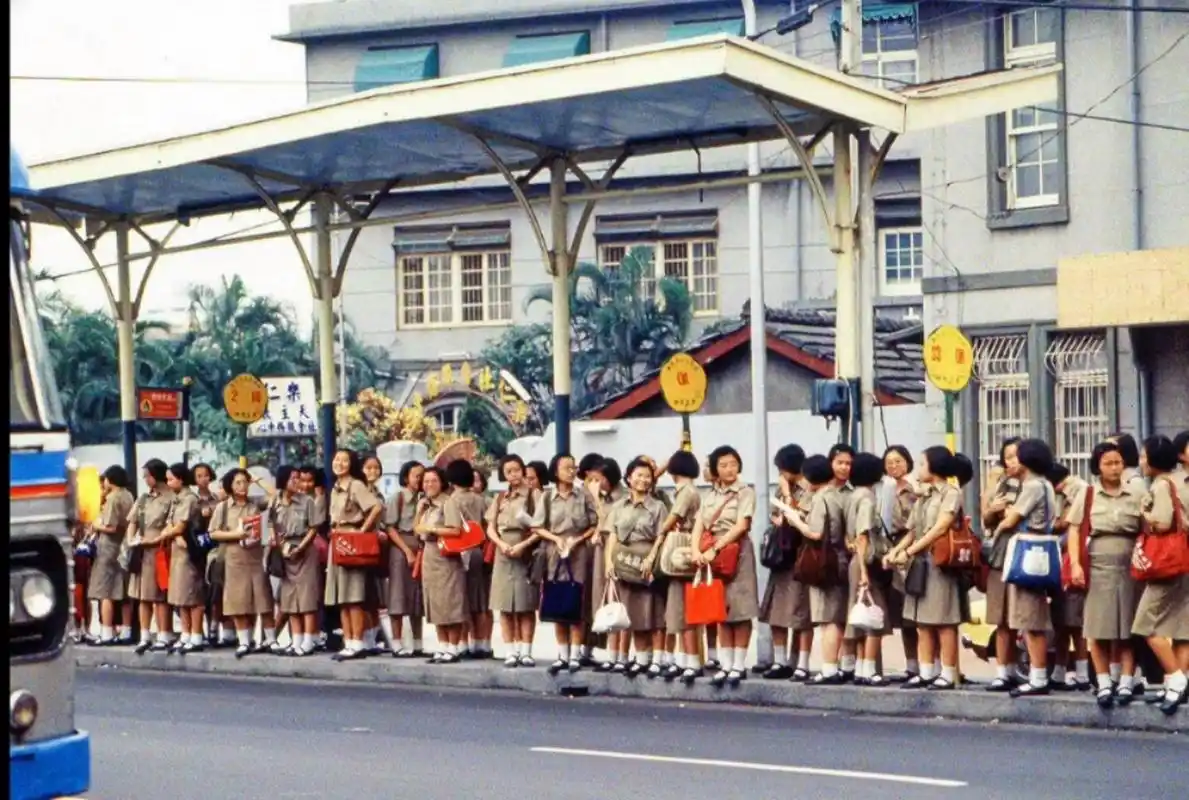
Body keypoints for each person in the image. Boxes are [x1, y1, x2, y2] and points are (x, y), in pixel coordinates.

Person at [1067, 440, 1143, 708]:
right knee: (1097, 627)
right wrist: (1075, 564)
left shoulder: (1135, 494)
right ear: (1097, 466)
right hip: (1097, 567)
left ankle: (1125, 681)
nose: (1114, 468)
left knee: (1127, 628)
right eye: (1108, 463)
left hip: (1130, 567)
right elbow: (1074, 529)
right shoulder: (1087, 495)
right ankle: (1102, 682)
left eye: (1118, 463)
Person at [887, 446, 963, 691]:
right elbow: (912, 530)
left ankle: (949, 673)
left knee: (943, 620)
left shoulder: (950, 493)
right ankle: (927, 670)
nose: (918, 469)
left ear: (935, 466)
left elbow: (940, 528)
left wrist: (909, 552)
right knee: (922, 621)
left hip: (940, 562)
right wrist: (896, 551)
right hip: (920, 563)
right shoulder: (924, 495)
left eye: (922, 464)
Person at [991, 438, 1059, 698]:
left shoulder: (1031, 486)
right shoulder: (1046, 484)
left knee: (1030, 618)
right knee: (1032, 617)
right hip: (1041, 550)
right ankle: (1037, 674)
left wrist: (996, 531)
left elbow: (1012, 520)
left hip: (1028, 550)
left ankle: (1038, 676)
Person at [1132, 435, 1189, 715]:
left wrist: (1144, 511)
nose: (1141, 462)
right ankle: (1175, 683)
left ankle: (1176, 678)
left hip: (1167, 561)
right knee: (1181, 627)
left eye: (1144, 457)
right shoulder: (1181, 480)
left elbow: (1163, 522)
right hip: (1184, 560)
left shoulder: (1161, 485)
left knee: (1146, 624)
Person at [693, 445, 759, 688]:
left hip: (736, 552)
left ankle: (739, 665)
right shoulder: (709, 495)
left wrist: (716, 547)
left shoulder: (745, 492)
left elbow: (742, 525)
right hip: (711, 555)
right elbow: (700, 523)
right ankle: (725, 663)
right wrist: (695, 550)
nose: (729, 469)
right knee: (719, 609)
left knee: (741, 610)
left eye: (733, 463)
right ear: (714, 470)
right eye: (723, 465)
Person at [603, 457, 670, 677]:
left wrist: (652, 559)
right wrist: (609, 562)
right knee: (633, 612)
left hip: (647, 562)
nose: (643, 480)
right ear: (629, 478)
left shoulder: (658, 506)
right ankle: (641, 658)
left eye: (647, 476)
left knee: (654, 612)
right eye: (638, 475)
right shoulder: (619, 506)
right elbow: (613, 535)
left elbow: (662, 536)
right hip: (624, 563)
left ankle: (657, 659)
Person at [534, 453, 599, 675]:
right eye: (566, 468)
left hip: (578, 552)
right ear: (555, 472)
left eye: (573, 467)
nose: (571, 472)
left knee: (576, 601)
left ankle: (575, 655)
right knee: (557, 600)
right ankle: (562, 654)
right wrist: (556, 539)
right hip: (554, 552)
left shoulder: (583, 495)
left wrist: (578, 540)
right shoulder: (547, 498)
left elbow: (593, 523)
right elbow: (537, 526)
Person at [759, 444, 813, 682]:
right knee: (776, 612)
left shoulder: (808, 488)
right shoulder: (782, 490)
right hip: (781, 558)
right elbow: (776, 515)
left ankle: (799, 662)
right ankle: (780, 660)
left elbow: (802, 517)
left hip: (801, 557)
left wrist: (788, 496)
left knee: (800, 614)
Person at [209, 468, 276, 658]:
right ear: (230, 485)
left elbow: (274, 496)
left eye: (245, 482)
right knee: (238, 601)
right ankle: (244, 641)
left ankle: (270, 639)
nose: (242, 486)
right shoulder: (223, 508)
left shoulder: (255, 504)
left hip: (255, 557)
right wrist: (235, 535)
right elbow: (213, 533)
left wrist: (257, 479)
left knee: (263, 598)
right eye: (238, 482)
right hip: (234, 558)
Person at [326, 449, 383, 661]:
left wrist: (361, 531)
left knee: (354, 595)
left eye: (344, 460)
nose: (339, 463)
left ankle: (357, 642)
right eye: (337, 459)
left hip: (351, 539)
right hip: (337, 539)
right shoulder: (335, 488)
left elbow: (376, 507)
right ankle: (348, 642)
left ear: (351, 464)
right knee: (342, 596)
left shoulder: (356, 485)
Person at [488, 454, 544, 667]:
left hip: (525, 549)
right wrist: (500, 544)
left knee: (525, 604)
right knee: (504, 605)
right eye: (508, 471)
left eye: (516, 470)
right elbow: (490, 527)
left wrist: (522, 545)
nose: (513, 475)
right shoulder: (500, 498)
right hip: (503, 552)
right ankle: (510, 650)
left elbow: (541, 528)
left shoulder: (535, 495)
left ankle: (526, 650)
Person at [844, 452, 890, 686]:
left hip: (855, 560)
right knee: (874, 615)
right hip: (866, 562)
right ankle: (870, 669)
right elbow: (863, 536)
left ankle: (862, 667)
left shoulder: (852, 496)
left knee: (861, 616)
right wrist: (864, 572)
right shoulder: (868, 499)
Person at [981, 437, 1024, 690]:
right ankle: (1002, 671)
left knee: (1024, 616)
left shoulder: (1034, 484)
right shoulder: (1002, 483)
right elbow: (987, 519)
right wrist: (991, 508)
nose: (1012, 462)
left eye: (1016, 455)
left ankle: (1033, 670)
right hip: (1000, 554)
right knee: (1000, 617)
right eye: (1007, 457)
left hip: (1024, 554)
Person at [659, 450, 704, 683]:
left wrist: (660, 533)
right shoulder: (690, 491)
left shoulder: (686, 492)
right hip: (686, 552)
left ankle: (691, 661)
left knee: (683, 610)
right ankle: (686, 660)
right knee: (681, 611)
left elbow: (672, 519)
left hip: (680, 552)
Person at [1047, 462, 1092, 692]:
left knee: (1075, 622)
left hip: (1073, 562)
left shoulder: (1079, 491)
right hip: (1060, 562)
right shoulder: (1061, 493)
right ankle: (1060, 671)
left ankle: (1082, 673)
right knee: (1061, 623)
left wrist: (1058, 523)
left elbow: (1067, 525)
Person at [417, 465, 469, 663]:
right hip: (429, 555)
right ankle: (442, 645)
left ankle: (453, 647)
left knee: (450, 601)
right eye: (426, 481)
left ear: (442, 483)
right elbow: (417, 530)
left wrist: (433, 528)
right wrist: (419, 511)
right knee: (434, 602)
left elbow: (456, 530)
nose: (429, 484)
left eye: (433, 481)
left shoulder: (449, 503)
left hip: (446, 556)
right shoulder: (426, 505)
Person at [270, 465, 323, 657]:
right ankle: (296, 640)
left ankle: (308, 640)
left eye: (298, 478)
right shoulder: (276, 501)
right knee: (289, 598)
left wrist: (301, 547)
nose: (297, 482)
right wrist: (278, 543)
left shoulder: (307, 501)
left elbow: (313, 527)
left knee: (307, 597)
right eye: (293, 478)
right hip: (285, 550)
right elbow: (272, 525)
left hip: (304, 550)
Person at [128, 459, 176, 654]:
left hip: (161, 549)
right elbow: (132, 520)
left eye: (147, 475)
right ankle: (145, 634)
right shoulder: (143, 498)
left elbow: (171, 524)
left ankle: (165, 633)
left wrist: (157, 539)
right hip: (142, 550)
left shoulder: (171, 498)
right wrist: (132, 538)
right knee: (143, 595)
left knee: (160, 595)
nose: (144, 479)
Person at [881, 445, 920, 681]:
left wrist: (901, 549)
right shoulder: (884, 489)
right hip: (888, 551)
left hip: (908, 551)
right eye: (889, 462)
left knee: (914, 613)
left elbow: (915, 527)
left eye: (898, 461)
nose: (893, 466)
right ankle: (911, 664)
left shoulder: (914, 489)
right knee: (900, 615)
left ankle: (923, 665)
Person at [86, 465, 135, 646]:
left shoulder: (113, 498)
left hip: (108, 549)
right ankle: (126, 630)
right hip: (124, 547)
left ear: (110, 480)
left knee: (105, 591)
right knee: (123, 591)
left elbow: (110, 526)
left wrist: (96, 524)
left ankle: (106, 632)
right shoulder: (128, 496)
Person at [161, 463, 205, 654]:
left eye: (171, 479)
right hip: (176, 551)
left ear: (180, 479)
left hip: (189, 551)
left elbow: (180, 526)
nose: (168, 483)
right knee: (180, 595)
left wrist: (166, 535)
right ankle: (185, 633)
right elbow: (169, 523)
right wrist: (172, 534)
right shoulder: (176, 499)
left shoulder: (189, 499)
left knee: (192, 595)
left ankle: (196, 635)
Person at [385, 460, 425, 658]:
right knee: (398, 594)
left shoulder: (425, 499)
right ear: (406, 477)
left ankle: (418, 643)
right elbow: (390, 527)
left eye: (422, 475)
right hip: (401, 545)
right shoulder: (397, 499)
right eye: (416, 475)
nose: (420, 479)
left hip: (420, 546)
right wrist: (407, 551)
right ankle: (397, 642)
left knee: (418, 595)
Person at [465, 467, 495, 659]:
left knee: (483, 601)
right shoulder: (460, 501)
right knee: (469, 601)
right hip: (465, 554)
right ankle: (472, 641)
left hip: (483, 553)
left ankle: (485, 642)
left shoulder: (488, 502)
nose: (474, 484)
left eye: (477, 480)